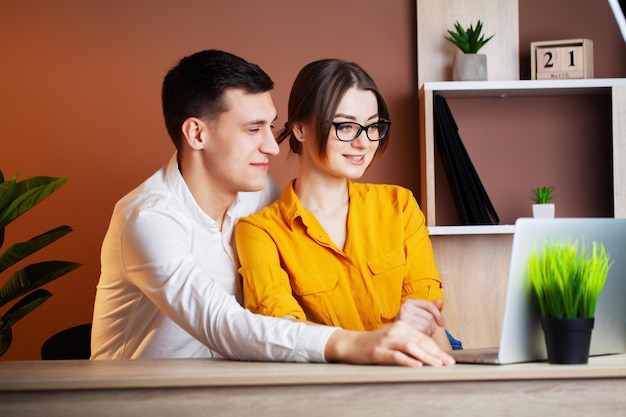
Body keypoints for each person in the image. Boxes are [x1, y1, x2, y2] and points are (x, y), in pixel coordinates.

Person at [90, 49, 454, 367]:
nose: (273, 146)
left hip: (237, 387)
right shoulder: (150, 219)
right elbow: (224, 324)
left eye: (271, 126)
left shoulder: (258, 194)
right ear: (197, 134)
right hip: (141, 396)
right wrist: (361, 341)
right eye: (253, 129)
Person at [236, 59, 453, 350]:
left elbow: (432, 325)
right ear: (300, 129)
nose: (364, 142)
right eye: (347, 126)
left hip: (417, 366)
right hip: (328, 385)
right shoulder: (260, 232)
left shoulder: (399, 205)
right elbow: (280, 333)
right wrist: (378, 340)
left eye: (373, 126)